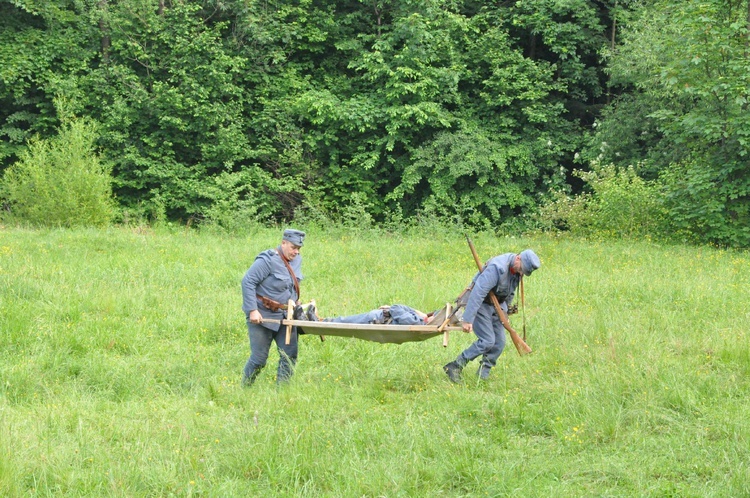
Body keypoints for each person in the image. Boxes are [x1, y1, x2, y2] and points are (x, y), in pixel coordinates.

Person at [443, 249, 541, 382]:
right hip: (481, 304)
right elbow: (478, 292)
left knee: (499, 343)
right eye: (522, 269)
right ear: (518, 259)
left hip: (498, 306)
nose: (521, 273)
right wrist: (467, 319)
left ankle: (483, 376)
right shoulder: (497, 267)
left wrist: (505, 313)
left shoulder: (517, 270)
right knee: (488, 341)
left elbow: (510, 292)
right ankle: (455, 366)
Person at [241, 229, 305, 386]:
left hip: (286, 316)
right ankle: (244, 388)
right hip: (263, 316)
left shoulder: (296, 261)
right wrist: (252, 310)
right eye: (293, 247)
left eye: (299, 248)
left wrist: (296, 303)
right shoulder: (267, 260)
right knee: (259, 359)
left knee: (289, 355)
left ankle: (281, 392)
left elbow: (291, 285)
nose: (296, 251)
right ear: (283, 243)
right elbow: (247, 282)